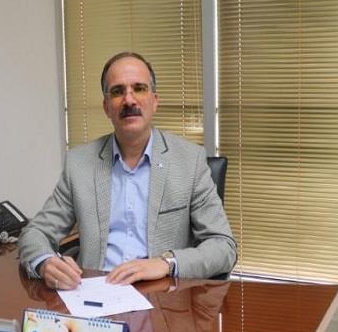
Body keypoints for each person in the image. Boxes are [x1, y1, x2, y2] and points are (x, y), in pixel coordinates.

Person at [18, 52, 237, 289]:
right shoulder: (79, 164)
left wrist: (166, 263)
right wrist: (45, 263)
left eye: (139, 88)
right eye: (117, 91)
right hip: (94, 294)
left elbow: (223, 246)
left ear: (154, 100)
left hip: (162, 297)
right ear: (106, 107)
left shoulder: (189, 161)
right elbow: (35, 233)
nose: (129, 100)